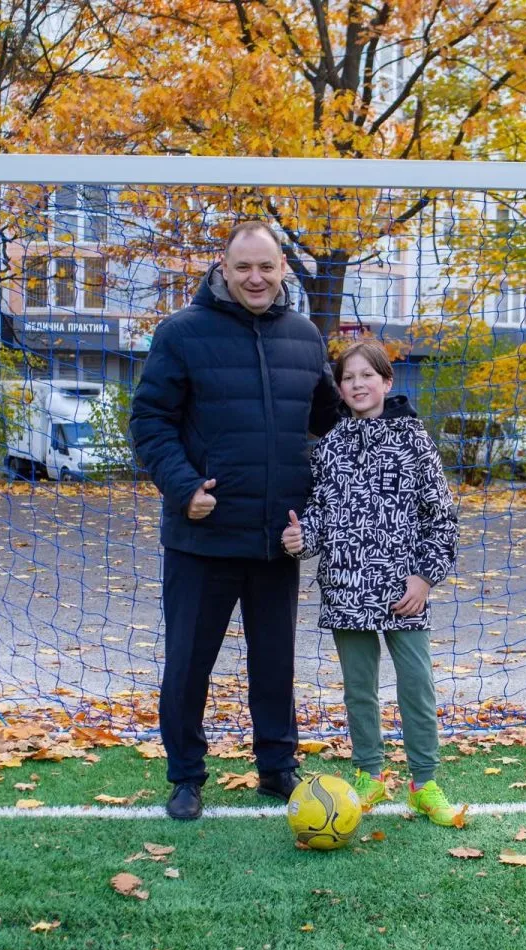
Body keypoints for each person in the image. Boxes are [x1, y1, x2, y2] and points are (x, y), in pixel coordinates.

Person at [130, 221, 343, 821]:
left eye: (266, 267)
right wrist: (183, 487)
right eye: (243, 266)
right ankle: (186, 776)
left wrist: (384, 414)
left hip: (278, 538)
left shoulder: (304, 337)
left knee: (274, 664)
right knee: (188, 664)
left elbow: (330, 419)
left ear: (282, 269)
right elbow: (149, 421)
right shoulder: (181, 332)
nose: (255, 278)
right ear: (223, 268)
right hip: (203, 536)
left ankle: (277, 768)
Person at [281, 340, 463, 826]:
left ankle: (424, 783)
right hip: (346, 587)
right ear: (340, 388)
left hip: (404, 590)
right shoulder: (330, 447)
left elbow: (441, 517)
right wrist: (301, 538)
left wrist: (424, 577)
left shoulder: (414, 440)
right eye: (348, 378)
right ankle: (369, 774)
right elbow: (320, 514)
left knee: (416, 684)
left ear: (386, 381)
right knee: (360, 689)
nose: (357, 384)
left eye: (367, 375)